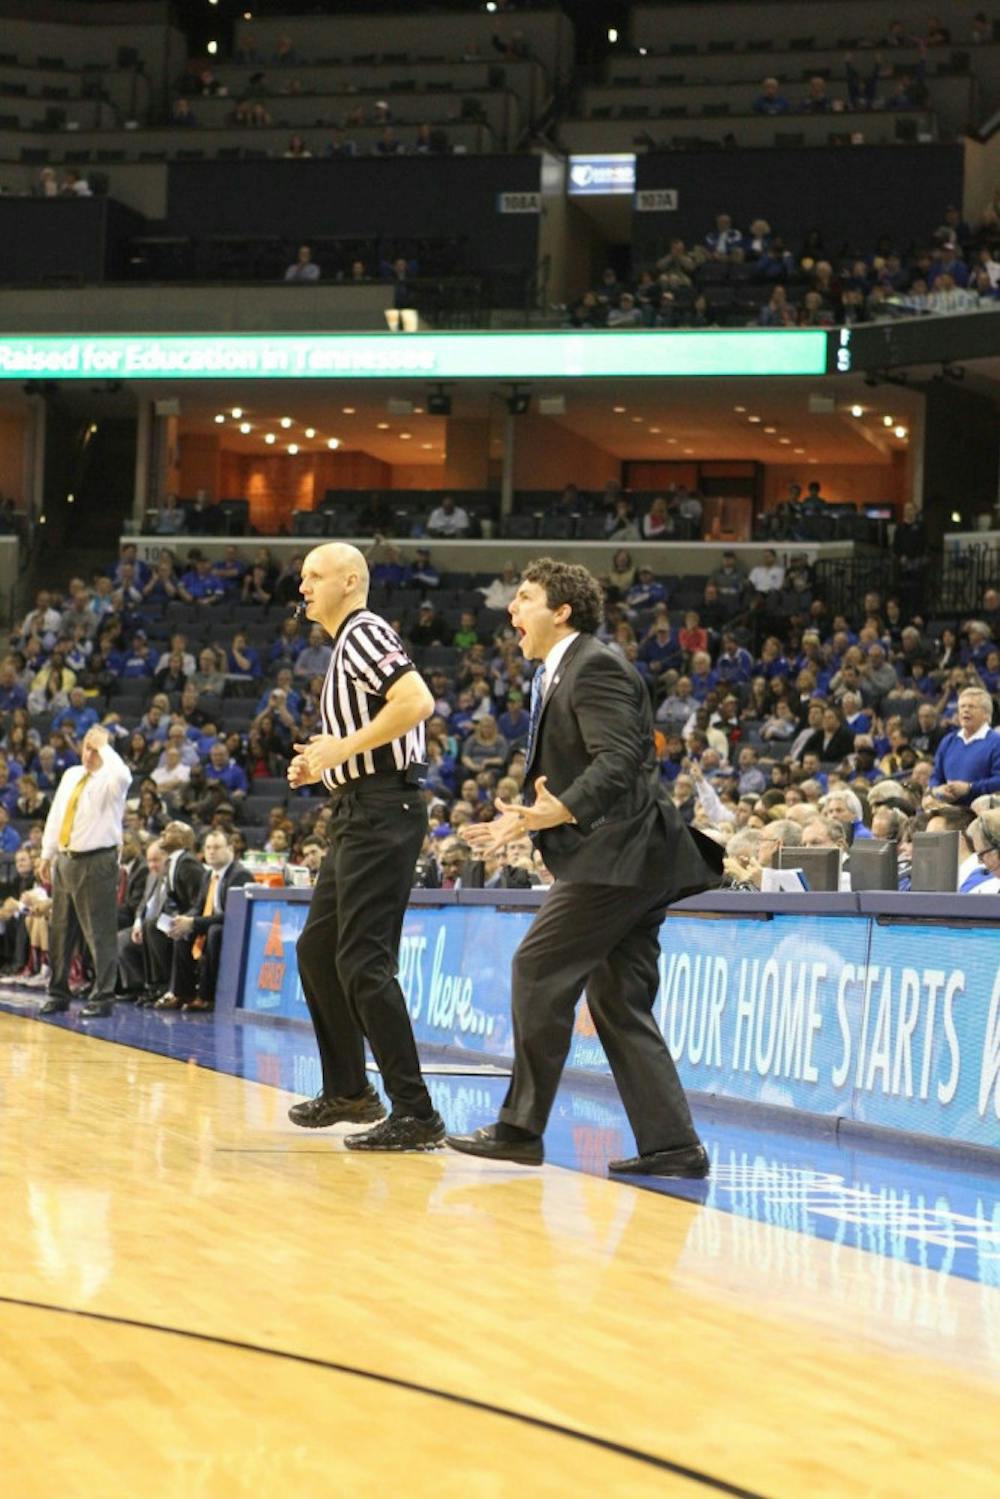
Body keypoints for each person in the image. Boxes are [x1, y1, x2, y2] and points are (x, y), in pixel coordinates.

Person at [446, 559, 722, 1176]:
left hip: (621, 855)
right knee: (619, 998)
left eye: (524, 597)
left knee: (537, 967)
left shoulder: (594, 665)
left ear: (562, 610)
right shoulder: (556, 672)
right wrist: (533, 818)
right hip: (634, 858)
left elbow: (621, 758)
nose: (511, 609)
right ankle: (673, 1144)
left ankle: (520, 1128)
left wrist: (555, 812)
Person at [286, 543, 445, 1150]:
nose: (303, 587)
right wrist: (322, 767)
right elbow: (363, 742)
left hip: (384, 812)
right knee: (319, 950)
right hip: (358, 808)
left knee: (363, 962)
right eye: (303, 578)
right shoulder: (346, 644)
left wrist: (342, 752)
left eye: (314, 576)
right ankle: (350, 1090)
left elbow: (416, 702)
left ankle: (416, 1112)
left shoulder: (364, 632)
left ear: (350, 581)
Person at [37, 725, 131, 1019]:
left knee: (99, 932)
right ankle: (58, 992)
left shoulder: (110, 780)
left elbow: (124, 775)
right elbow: (56, 816)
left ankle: (103, 997)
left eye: (96, 748)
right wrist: (46, 854)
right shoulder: (71, 775)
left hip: (97, 861)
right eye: (87, 747)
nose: (90, 753)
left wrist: (105, 746)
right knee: (60, 932)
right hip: (65, 859)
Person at [161, 829, 254, 1011]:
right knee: (183, 932)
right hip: (212, 923)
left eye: (217, 847)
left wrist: (194, 923)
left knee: (214, 931)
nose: (211, 852)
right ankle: (182, 993)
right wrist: (185, 920)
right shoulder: (208, 874)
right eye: (208, 847)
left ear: (230, 849)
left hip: (233, 928)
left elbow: (232, 915)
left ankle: (207, 996)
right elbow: (199, 906)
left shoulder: (239, 875)